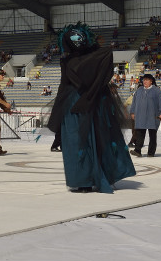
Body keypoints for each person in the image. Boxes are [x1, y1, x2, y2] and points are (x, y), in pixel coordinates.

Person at [46, 23, 135, 191]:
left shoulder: (69, 60)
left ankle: (84, 181)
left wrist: (57, 114)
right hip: (94, 102)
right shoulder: (96, 56)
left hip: (77, 104)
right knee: (96, 138)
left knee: (78, 141)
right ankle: (96, 177)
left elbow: (64, 85)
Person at [128, 73, 161, 157]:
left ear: (151, 81)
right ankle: (137, 150)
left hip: (152, 115)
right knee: (140, 133)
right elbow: (134, 102)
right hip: (141, 115)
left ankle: (151, 152)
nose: (144, 82)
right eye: (144, 80)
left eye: (147, 80)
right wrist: (132, 112)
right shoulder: (139, 90)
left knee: (152, 134)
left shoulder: (156, 90)